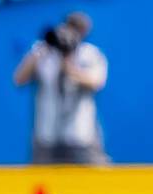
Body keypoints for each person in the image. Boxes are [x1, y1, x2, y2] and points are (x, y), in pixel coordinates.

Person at [12, 12, 109, 163]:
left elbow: (96, 82)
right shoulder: (44, 54)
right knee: (44, 183)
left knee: (92, 182)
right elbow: (19, 79)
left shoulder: (90, 54)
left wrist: (68, 63)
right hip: (46, 136)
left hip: (80, 135)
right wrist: (39, 51)